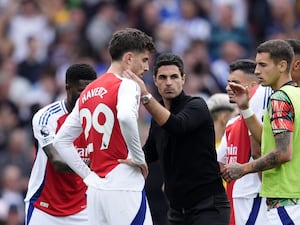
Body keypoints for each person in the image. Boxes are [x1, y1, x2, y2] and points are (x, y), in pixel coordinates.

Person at [53, 28, 155, 225]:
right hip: (123, 182)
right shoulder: (126, 85)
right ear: (128, 58)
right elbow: (125, 117)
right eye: (144, 60)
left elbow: (61, 140)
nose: (147, 67)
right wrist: (138, 157)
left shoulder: (88, 91)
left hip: (96, 189)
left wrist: (87, 176)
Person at [123, 53, 230, 225]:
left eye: (174, 77)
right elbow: (149, 153)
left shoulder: (197, 105)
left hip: (208, 206)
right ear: (155, 81)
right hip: (177, 210)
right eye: (163, 77)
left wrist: (145, 96)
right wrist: (119, 160)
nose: (169, 82)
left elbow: (177, 126)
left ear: (183, 79)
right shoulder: (158, 118)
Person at [222, 39, 300, 224]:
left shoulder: (279, 98)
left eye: (263, 65)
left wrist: (244, 168)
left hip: (285, 198)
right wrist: (246, 108)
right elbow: (270, 140)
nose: (257, 71)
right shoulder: (296, 94)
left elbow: (283, 152)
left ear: (282, 65)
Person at [25, 63, 97, 225]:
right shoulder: (46, 117)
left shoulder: (97, 120)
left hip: (83, 209)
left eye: (90, 92)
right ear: (67, 88)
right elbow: (57, 162)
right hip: (44, 207)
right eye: (81, 91)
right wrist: (95, 162)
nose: (86, 97)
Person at [217, 59, 271, 225]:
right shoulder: (232, 123)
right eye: (228, 82)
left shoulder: (255, 119)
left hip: (253, 195)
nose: (228, 87)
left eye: (235, 83)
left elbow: (257, 151)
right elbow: (220, 162)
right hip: (238, 198)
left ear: (252, 87)